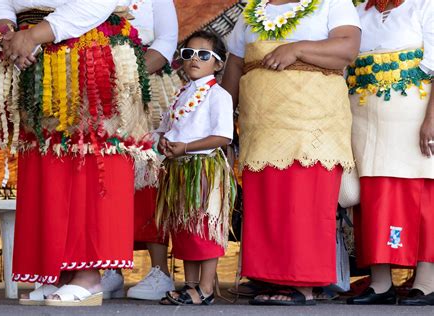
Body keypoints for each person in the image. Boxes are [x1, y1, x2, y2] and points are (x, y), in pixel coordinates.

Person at [0, 0, 157, 306]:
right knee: (47, 162)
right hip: (34, 57)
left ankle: (89, 276)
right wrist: (7, 32)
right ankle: (61, 271)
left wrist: (34, 35)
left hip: (88, 53)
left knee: (88, 158)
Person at [222, 0, 361, 306]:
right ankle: (268, 276)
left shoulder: (333, 4)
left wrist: (296, 49)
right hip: (263, 121)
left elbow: (347, 48)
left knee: (305, 200)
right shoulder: (251, 10)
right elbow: (234, 63)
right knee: (266, 201)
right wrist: (220, 117)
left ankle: (304, 282)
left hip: (312, 120)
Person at [346, 0, 434, 306]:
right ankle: (381, 283)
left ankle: (426, 282)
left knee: (421, 198)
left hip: (413, 122)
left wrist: (431, 120)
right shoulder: (357, 12)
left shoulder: (425, 6)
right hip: (364, 123)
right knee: (371, 197)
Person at [100, 0, 179, 301]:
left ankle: (159, 273)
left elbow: (166, 40)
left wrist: (130, 74)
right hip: (101, 85)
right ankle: (110, 269)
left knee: (148, 178)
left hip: (147, 87)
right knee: (105, 179)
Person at [155, 30, 236, 305]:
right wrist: (164, 142)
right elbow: (167, 128)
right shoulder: (181, 94)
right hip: (179, 167)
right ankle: (189, 286)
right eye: (188, 54)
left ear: (218, 63)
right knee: (184, 227)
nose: (194, 59)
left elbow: (224, 136)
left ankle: (205, 288)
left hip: (203, 168)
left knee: (203, 226)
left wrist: (186, 147)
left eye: (204, 55)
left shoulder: (219, 95)